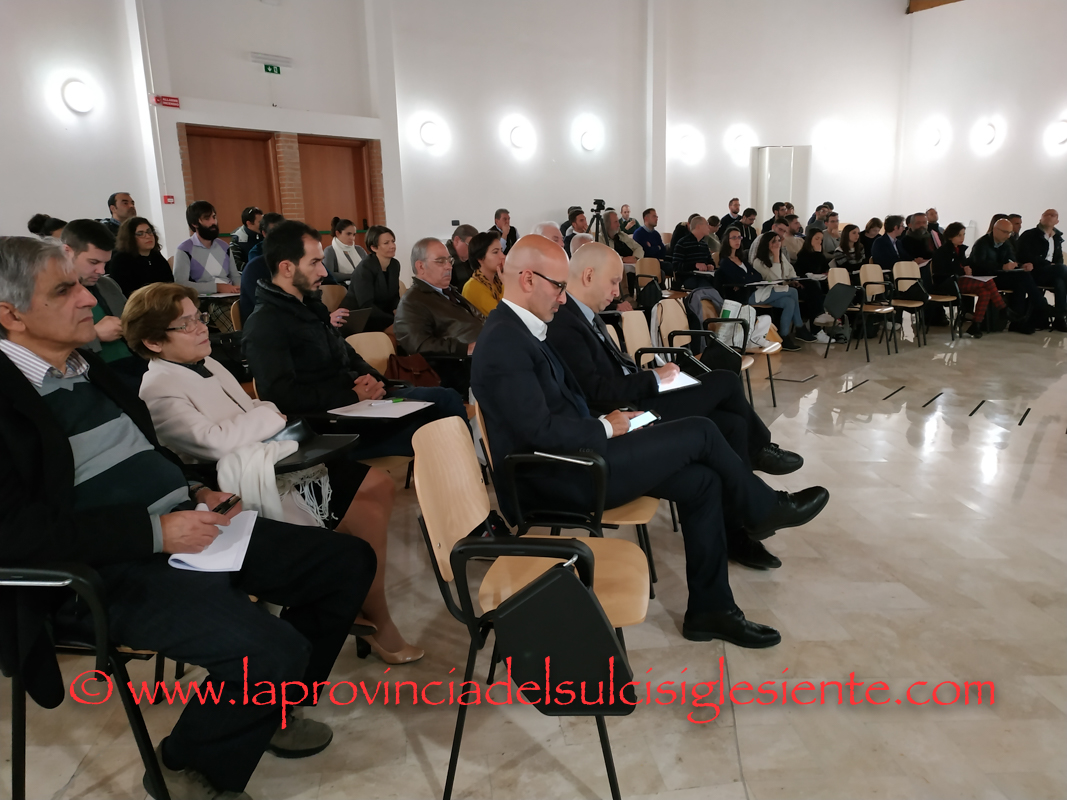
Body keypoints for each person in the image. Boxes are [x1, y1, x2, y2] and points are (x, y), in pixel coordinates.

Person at [0, 236, 375, 799]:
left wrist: (196, 489)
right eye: (65, 289)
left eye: (81, 283)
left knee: (345, 563)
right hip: (102, 566)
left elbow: (147, 451)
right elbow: (13, 533)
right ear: (11, 315)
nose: (89, 299)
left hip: (182, 523)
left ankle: (267, 709)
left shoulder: (86, 366)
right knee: (269, 650)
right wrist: (153, 532)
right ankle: (186, 770)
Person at [470, 235, 828, 646]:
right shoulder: (504, 341)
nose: (564, 298)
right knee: (701, 430)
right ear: (528, 279)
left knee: (703, 482)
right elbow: (538, 432)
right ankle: (764, 507)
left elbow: (562, 408)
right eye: (559, 286)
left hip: (578, 455)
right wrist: (607, 427)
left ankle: (711, 611)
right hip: (559, 476)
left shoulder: (522, 329)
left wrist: (613, 421)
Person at [126, 282, 421, 664]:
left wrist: (262, 414)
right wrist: (266, 416)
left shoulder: (207, 363)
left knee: (377, 485)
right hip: (235, 483)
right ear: (153, 341)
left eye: (199, 317)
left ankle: (362, 608)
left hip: (271, 459)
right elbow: (215, 443)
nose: (201, 328)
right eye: (186, 324)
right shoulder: (158, 388)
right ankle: (375, 618)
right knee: (364, 506)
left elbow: (253, 405)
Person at [547, 242, 806, 569]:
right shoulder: (565, 322)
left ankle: (739, 532)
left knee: (733, 424)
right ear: (588, 276)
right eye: (613, 282)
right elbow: (597, 392)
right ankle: (760, 454)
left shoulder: (584, 315)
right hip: (629, 414)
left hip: (636, 399)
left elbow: (610, 375)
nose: (616, 291)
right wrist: (653, 379)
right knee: (724, 381)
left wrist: (654, 377)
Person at [242, 221, 466, 458]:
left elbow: (349, 355)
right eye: (314, 262)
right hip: (331, 425)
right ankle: (462, 475)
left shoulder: (311, 308)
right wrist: (353, 395)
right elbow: (282, 397)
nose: (324, 272)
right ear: (287, 268)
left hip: (358, 407)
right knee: (436, 429)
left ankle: (467, 473)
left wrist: (374, 380)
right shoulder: (265, 324)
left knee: (445, 399)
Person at [60, 220, 148, 389]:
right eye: (93, 262)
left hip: (136, 360)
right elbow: (45, 348)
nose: (101, 271)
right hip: (92, 374)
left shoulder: (107, 285)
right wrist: (95, 335)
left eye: (105, 263)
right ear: (67, 252)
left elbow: (133, 324)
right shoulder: (48, 295)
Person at [395, 237, 484, 393]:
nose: (448, 266)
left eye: (449, 260)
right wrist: (464, 348)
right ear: (421, 266)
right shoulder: (412, 302)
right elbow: (419, 346)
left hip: (483, 356)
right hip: (459, 369)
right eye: (440, 261)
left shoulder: (448, 292)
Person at [931, 222, 1017, 338]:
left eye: (963, 235)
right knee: (989, 282)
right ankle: (1003, 309)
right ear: (951, 236)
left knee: (985, 292)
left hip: (960, 280)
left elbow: (963, 265)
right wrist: (962, 270)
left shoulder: (960, 250)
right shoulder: (942, 251)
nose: (962, 238)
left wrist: (966, 268)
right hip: (947, 284)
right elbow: (942, 271)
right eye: (959, 235)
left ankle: (976, 325)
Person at [971, 218, 1041, 333]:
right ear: (995, 229)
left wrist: (1021, 266)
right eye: (1005, 232)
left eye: (1010, 233)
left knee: (1021, 281)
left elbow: (1011, 260)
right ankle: (1040, 305)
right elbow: (979, 265)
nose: (1008, 236)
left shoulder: (1006, 244)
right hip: (986, 278)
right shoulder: (982, 243)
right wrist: (1001, 266)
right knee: (1022, 279)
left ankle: (1017, 321)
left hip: (1000, 275)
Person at [751, 232, 817, 345]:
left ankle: (784, 335)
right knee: (793, 292)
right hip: (764, 293)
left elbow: (790, 269)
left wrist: (794, 279)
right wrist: (776, 257)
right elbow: (776, 278)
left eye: (778, 240)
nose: (777, 243)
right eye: (774, 241)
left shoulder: (781, 256)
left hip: (780, 291)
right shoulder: (758, 261)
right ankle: (799, 327)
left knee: (789, 302)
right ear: (766, 244)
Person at [173, 200, 241, 296]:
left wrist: (239, 289)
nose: (213, 222)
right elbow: (181, 284)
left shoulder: (224, 246)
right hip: (203, 298)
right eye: (207, 218)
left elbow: (235, 276)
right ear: (194, 223)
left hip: (230, 295)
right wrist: (217, 287)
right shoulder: (184, 249)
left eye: (214, 217)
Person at [341, 224, 400, 333]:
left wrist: (399, 313)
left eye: (393, 241)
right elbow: (366, 305)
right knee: (403, 331)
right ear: (374, 247)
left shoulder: (394, 265)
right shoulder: (365, 268)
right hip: (361, 319)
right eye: (386, 243)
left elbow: (395, 296)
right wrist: (393, 320)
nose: (392, 246)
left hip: (382, 315)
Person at [1017, 209, 1067, 331]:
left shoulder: (1056, 238)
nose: (1049, 217)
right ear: (1041, 218)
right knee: (1061, 269)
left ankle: (1060, 318)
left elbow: (1059, 259)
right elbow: (1024, 255)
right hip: (1034, 272)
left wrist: (1054, 266)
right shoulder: (1029, 235)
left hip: (1051, 272)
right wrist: (1049, 264)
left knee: (1060, 282)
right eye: (1046, 214)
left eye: (1053, 215)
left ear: (1057, 221)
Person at [239, 212, 287, 323]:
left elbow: (326, 279)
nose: (282, 238)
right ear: (264, 233)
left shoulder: (290, 260)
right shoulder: (255, 266)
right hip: (263, 323)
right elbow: (266, 307)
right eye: (275, 233)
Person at [109, 217, 174, 297]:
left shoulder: (156, 255)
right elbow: (126, 293)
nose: (148, 236)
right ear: (130, 237)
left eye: (149, 231)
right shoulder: (121, 260)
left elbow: (170, 284)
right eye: (140, 234)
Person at [462, 230, 505, 316]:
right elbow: (502, 316)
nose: (503, 256)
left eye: (501, 251)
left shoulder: (497, 281)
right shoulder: (473, 287)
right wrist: (507, 284)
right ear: (480, 258)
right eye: (495, 252)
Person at [670, 216, 716, 289]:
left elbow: (710, 261)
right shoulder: (682, 243)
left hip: (704, 277)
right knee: (707, 286)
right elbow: (676, 267)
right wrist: (695, 265)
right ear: (698, 226)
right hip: (688, 278)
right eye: (706, 224)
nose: (709, 227)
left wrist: (711, 265)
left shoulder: (704, 245)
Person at [322, 217, 367, 284]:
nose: (352, 238)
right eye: (348, 234)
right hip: (341, 288)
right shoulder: (330, 251)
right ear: (337, 233)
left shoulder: (359, 250)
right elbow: (328, 275)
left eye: (354, 234)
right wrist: (353, 276)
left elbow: (369, 269)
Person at [229, 206, 263, 272]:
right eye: (260, 222)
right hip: (247, 274)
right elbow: (235, 263)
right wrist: (254, 269)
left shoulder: (266, 233)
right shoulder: (237, 238)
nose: (263, 224)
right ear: (249, 223)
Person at [447, 223, 480, 291]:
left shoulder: (467, 260)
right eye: (470, 245)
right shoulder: (446, 261)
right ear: (457, 241)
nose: (473, 250)